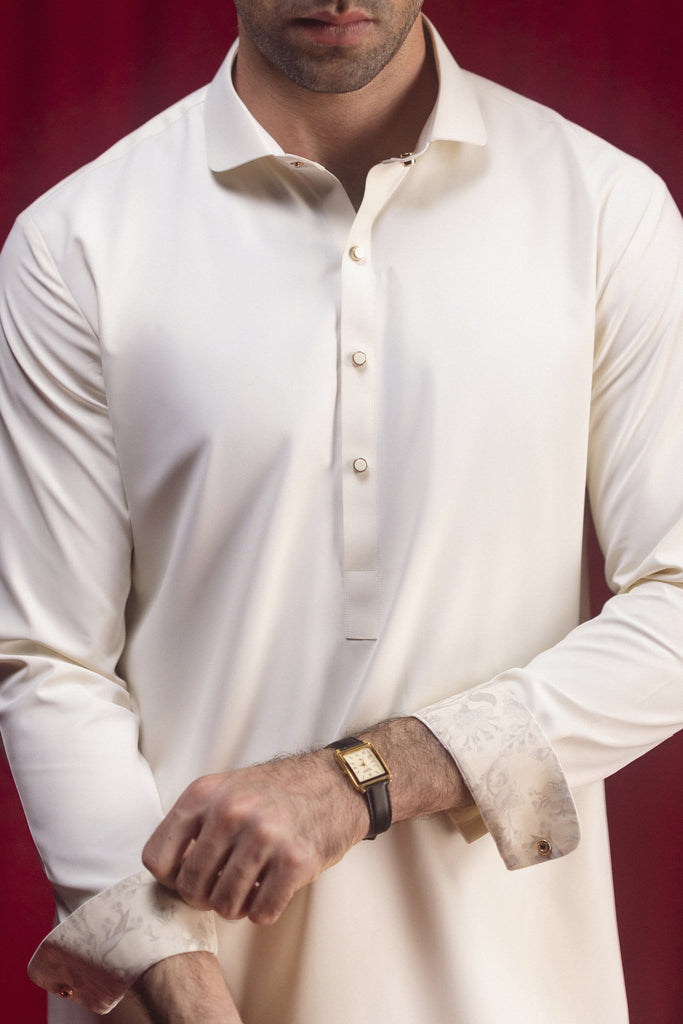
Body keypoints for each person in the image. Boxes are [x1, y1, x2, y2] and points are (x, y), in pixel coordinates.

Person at [0, 2, 681, 1022]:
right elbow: (46, 657)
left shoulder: (603, 208)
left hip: (511, 990)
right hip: (190, 993)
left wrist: (362, 778)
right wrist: (174, 980)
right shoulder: (78, 241)